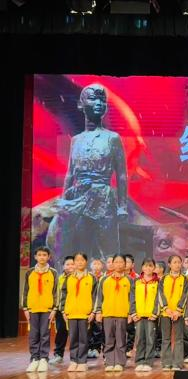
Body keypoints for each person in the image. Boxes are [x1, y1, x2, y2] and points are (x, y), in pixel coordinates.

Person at [52, 84, 127, 261]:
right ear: (81, 104)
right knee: (81, 249)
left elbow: (121, 174)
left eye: (102, 100)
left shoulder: (112, 138)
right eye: (93, 99)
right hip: (79, 198)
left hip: (103, 198)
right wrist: (64, 201)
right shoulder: (76, 140)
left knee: (109, 249)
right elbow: (70, 173)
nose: (99, 103)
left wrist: (122, 206)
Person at [94, 254, 134, 372]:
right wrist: (98, 311)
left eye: (121, 262)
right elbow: (99, 297)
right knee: (108, 339)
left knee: (121, 339)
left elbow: (132, 298)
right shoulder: (104, 279)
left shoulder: (129, 280)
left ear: (125, 264)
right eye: (116, 262)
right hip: (107, 313)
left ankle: (120, 362)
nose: (118, 264)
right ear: (112, 264)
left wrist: (130, 313)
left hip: (122, 314)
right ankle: (110, 362)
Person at [23, 247, 58, 373]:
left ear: (49, 257)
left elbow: (56, 292)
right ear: (35, 257)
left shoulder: (53, 272)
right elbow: (25, 291)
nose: (42, 257)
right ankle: (34, 358)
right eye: (39, 255)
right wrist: (25, 308)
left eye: (44, 255)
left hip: (47, 309)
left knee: (44, 334)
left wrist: (54, 308)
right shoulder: (29, 272)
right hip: (32, 308)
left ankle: (43, 358)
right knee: (33, 335)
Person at [60, 252, 96, 372]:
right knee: (73, 338)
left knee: (84, 338)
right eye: (77, 260)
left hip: (85, 314)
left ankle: (82, 362)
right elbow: (63, 295)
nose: (79, 262)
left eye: (82, 260)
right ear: (74, 262)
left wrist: (93, 312)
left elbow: (95, 296)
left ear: (86, 262)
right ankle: (73, 361)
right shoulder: (68, 278)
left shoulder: (91, 278)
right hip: (71, 313)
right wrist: (63, 311)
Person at [159, 255, 188, 371]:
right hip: (166, 313)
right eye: (174, 262)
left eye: (179, 262)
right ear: (169, 264)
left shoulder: (184, 279)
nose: (177, 265)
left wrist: (178, 310)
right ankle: (166, 363)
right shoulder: (163, 278)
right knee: (166, 338)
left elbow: (185, 295)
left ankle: (177, 363)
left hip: (178, 313)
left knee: (179, 338)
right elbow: (160, 294)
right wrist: (166, 308)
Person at [131, 258, 160, 372]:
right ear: (142, 267)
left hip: (151, 316)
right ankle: (139, 361)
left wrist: (155, 313)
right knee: (139, 339)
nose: (148, 268)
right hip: (138, 315)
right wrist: (133, 313)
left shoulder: (157, 282)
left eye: (150, 266)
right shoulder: (137, 281)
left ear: (154, 268)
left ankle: (148, 361)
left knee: (150, 338)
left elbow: (158, 299)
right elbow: (132, 298)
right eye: (146, 266)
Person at [50, 255, 74, 364]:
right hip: (61, 311)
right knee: (61, 333)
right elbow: (55, 294)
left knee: (76, 334)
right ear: (63, 266)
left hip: (75, 310)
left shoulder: (80, 278)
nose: (70, 266)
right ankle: (58, 355)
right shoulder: (59, 279)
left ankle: (77, 357)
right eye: (67, 264)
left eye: (72, 264)